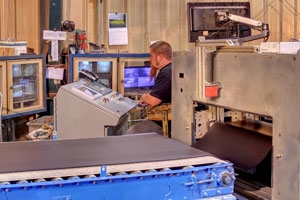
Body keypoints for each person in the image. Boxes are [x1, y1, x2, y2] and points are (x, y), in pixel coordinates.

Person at [139, 40, 172, 106]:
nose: (150, 59)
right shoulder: (172, 68)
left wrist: (143, 97)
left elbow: (153, 101)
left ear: (160, 57)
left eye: (151, 56)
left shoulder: (166, 73)